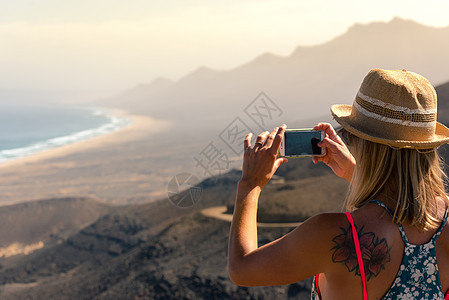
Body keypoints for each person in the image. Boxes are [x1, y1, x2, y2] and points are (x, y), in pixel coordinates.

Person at [227, 69, 449, 299]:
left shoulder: (335, 235)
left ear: (365, 145)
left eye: (351, 136)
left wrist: (250, 185)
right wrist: (356, 174)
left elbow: (242, 269)